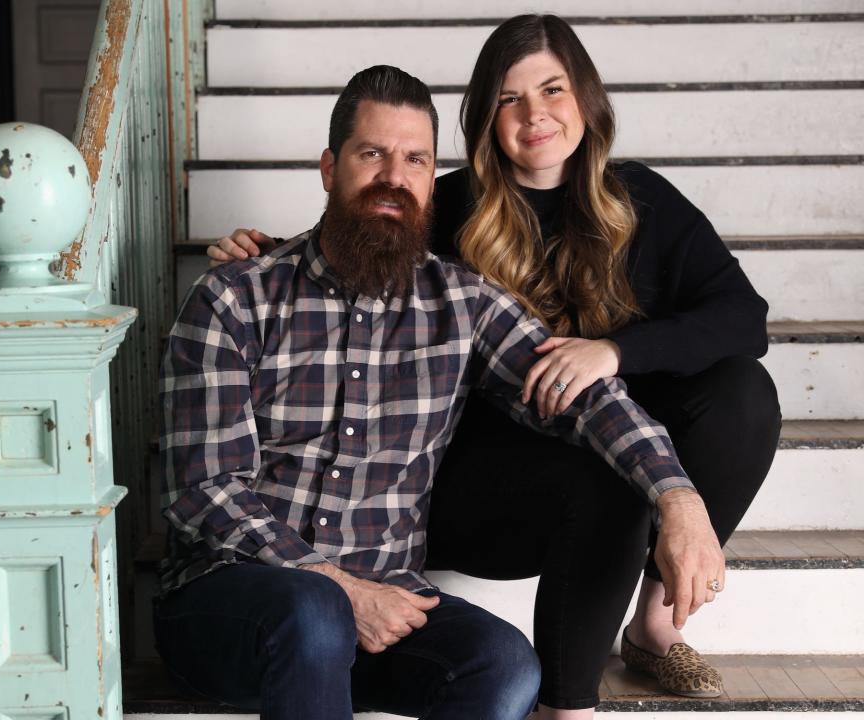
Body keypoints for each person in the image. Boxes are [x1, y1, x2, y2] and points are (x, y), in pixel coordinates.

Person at [208, 14, 781, 716]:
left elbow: (740, 319)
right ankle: (567, 698)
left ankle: (652, 624)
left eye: (553, 90)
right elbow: (353, 232)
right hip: (470, 473)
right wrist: (261, 253)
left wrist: (619, 364)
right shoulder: (447, 202)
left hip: (588, 436)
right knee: (599, 476)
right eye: (511, 99)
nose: (536, 115)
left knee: (734, 396)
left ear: (587, 99)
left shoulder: (643, 200)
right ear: (485, 117)